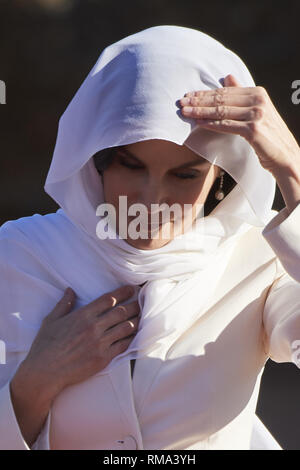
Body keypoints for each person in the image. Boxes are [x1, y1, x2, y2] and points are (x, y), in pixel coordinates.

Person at [1, 24, 300, 450]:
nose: (150, 199)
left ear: (221, 182)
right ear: (97, 161)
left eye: (185, 175)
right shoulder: (18, 254)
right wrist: (37, 380)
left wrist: (293, 169)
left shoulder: (264, 256)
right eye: (130, 165)